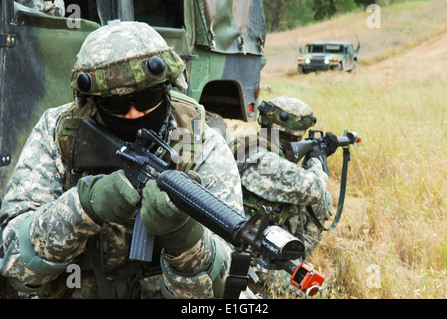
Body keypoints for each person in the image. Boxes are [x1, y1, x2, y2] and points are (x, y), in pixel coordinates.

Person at [0, 20, 243, 299]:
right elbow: (13, 260)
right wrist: (83, 208)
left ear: (167, 87)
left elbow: (223, 288)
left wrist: (185, 239)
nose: (132, 114)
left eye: (147, 97)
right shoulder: (60, 133)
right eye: (115, 104)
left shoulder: (198, 142)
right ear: (92, 101)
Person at [229, 96, 338, 296]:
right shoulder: (266, 161)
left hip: (241, 235)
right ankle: (280, 273)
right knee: (315, 293)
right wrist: (316, 158)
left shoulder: (247, 144)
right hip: (245, 252)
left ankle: (293, 258)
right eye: (299, 139)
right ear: (292, 137)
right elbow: (315, 190)